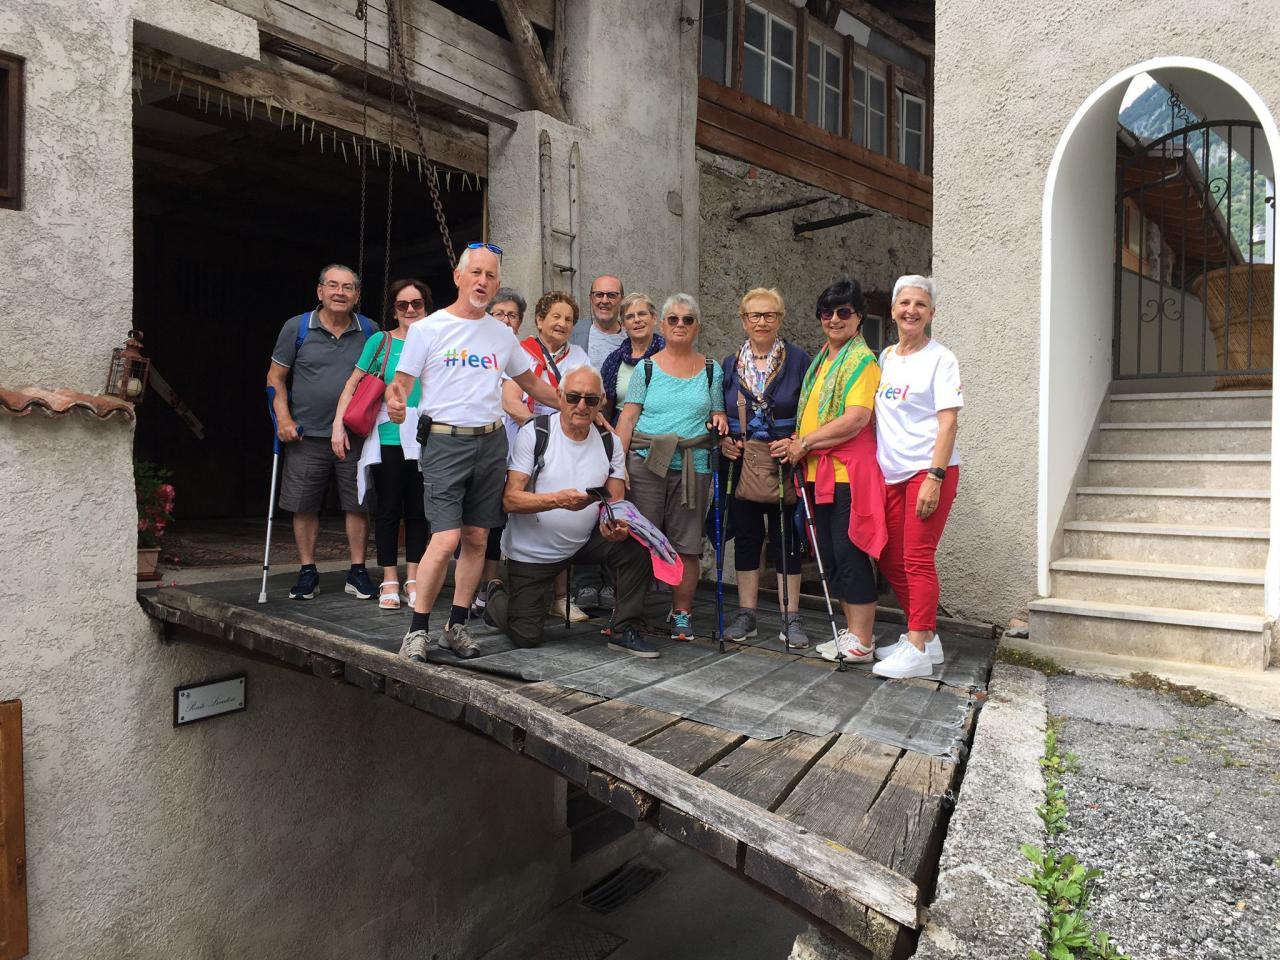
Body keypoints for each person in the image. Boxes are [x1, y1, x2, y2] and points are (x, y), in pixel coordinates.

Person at [385, 243, 563, 661]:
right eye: (476, 273)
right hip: (445, 441)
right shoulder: (427, 328)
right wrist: (395, 404)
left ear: (497, 283)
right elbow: (402, 384)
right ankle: (417, 630)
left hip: (490, 440)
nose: (483, 282)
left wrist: (574, 406)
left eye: (491, 276)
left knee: (478, 538)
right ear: (458, 276)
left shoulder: (502, 334)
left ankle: (456, 626)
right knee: (445, 539)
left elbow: (533, 386)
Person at [479, 366, 658, 658]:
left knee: (635, 545)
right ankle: (496, 596)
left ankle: (624, 628)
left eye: (590, 399)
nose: (581, 406)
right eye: (574, 397)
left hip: (584, 540)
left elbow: (614, 500)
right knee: (525, 637)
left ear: (601, 401)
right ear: (560, 396)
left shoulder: (608, 441)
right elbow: (510, 500)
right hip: (533, 552)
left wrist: (614, 525)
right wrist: (556, 501)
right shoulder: (536, 433)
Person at [779, 279, 887, 664]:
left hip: (846, 472)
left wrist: (805, 444)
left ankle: (863, 637)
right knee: (827, 552)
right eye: (828, 312)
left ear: (859, 317)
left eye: (845, 312)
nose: (835, 319)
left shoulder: (862, 361)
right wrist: (796, 441)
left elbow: (857, 418)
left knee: (849, 551)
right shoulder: (823, 358)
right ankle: (853, 633)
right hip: (817, 471)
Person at [616, 293, 728, 641]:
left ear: (697, 327)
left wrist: (720, 420)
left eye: (688, 320)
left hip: (693, 467)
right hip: (646, 463)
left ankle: (681, 613)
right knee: (638, 540)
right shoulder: (646, 369)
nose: (681, 325)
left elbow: (717, 414)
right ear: (663, 325)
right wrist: (616, 471)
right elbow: (628, 419)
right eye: (674, 319)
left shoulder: (712, 369)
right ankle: (628, 615)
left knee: (687, 543)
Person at [265, 264, 377, 602]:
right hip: (306, 434)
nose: (339, 293)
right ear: (320, 291)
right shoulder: (296, 327)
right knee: (303, 504)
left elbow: (379, 379)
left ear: (357, 295)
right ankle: (307, 571)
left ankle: (358, 571)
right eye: (333, 286)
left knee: (358, 504)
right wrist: (283, 419)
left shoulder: (371, 330)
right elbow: (275, 378)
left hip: (354, 434)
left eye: (347, 288)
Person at [869, 275, 962, 680]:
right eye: (904, 303)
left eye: (920, 305)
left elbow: (949, 424)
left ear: (932, 313)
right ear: (893, 311)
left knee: (917, 558)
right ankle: (924, 633)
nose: (911, 310)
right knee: (889, 556)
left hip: (927, 472)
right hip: (890, 474)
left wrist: (935, 476)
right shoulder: (887, 356)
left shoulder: (942, 359)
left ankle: (919, 647)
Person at [718, 288, 811, 646]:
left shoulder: (799, 359)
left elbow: (810, 408)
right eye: (754, 316)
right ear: (743, 320)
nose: (761, 322)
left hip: (783, 459)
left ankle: (791, 617)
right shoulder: (729, 364)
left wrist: (797, 441)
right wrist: (723, 439)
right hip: (741, 461)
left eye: (769, 315)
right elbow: (716, 410)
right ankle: (747, 615)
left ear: (780, 319)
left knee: (787, 540)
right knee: (746, 537)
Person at [331, 278, 431, 610]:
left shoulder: (436, 341)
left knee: (419, 511)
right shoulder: (381, 341)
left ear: (426, 307)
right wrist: (337, 426)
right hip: (388, 433)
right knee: (388, 509)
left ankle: (414, 578)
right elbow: (352, 384)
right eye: (403, 305)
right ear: (394, 310)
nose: (411, 310)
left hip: (427, 435)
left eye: (416, 304)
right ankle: (390, 577)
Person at [501, 291, 591, 623]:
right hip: (524, 445)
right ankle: (517, 591)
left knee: (558, 517)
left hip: (564, 449)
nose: (562, 323)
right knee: (520, 517)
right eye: (555, 316)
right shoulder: (519, 352)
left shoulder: (579, 356)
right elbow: (510, 400)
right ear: (539, 320)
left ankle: (560, 598)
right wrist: (540, 433)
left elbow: (589, 399)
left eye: (568, 319)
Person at [471, 287, 527, 620]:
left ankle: (494, 587)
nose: (506, 320)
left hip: (518, 450)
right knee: (481, 523)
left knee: (505, 522)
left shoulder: (522, 355)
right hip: (484, 448)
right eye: (499, 314)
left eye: (512, 315)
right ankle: (479, 585)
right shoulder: (477, 350)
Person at [600, 292, 665, 424]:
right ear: (623, 325)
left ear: (654, 318)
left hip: (662, 431)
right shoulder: (614, 361)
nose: (637, 320)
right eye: (630, 317)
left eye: (642, 314)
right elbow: (603, 407)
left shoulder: (669, 354)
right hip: (621, 431)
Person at [570, 274, 627, 369]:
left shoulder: (631, 337)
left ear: (622, 300)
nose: (604, 301)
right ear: (591, 299)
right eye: (599, 295)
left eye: (612, 295)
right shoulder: (571, 333)